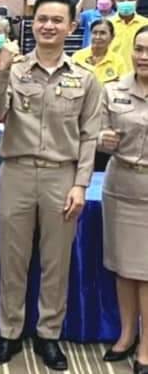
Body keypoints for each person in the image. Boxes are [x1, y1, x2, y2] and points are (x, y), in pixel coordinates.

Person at [0, 0, 102, 371]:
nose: (48, 26)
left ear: (71, 27)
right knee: (12, 259)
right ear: (32, 25)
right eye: (42, 19)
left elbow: (90, 136)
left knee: (56, 261)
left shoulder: (85, 78)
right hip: (16, 172)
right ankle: (9, 332)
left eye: (56, 20)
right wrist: (2, 71)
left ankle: (49, 334)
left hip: (60, 175)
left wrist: (81, 184)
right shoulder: (15, 68)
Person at [97, 26, 148, 372]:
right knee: (123, 268)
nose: (144, 57)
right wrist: (103, 139)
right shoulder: (113, 90)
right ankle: (127, 334)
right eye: (139, 49)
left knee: (146, 272)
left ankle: (146, 345)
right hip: (120, 187)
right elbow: (96, 133)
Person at [72, 19, 127, 85]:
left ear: (112, 37)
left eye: (103, 33)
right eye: (94, 33)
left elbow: (123, 85)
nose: (97, 37)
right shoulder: (77, 57)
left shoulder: (118, 61)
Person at [110, 0, 148, 74]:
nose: (126, 2)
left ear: (137, 1)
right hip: (113, 75)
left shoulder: (146, 24)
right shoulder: (108, 25)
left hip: (140, 74)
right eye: (122, 0)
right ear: (115, 3)